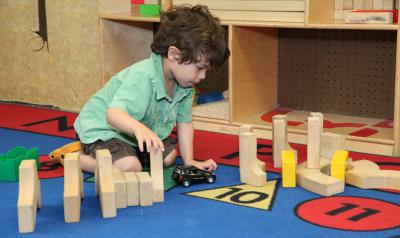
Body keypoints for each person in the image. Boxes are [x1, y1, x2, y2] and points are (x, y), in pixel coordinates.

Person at [73, 5, 230, 173]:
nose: (203, 76)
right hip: (103, 130)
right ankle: (76, 160)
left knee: (169, 158)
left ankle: (130, 152)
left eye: (207, 70)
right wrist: (139, 129)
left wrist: (189, 160)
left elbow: (184, 122)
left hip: (134, 132)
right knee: (130, 167)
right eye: (199, 68)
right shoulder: (143, 77)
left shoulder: (185, 86)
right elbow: (113, 115)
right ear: (174, 54)